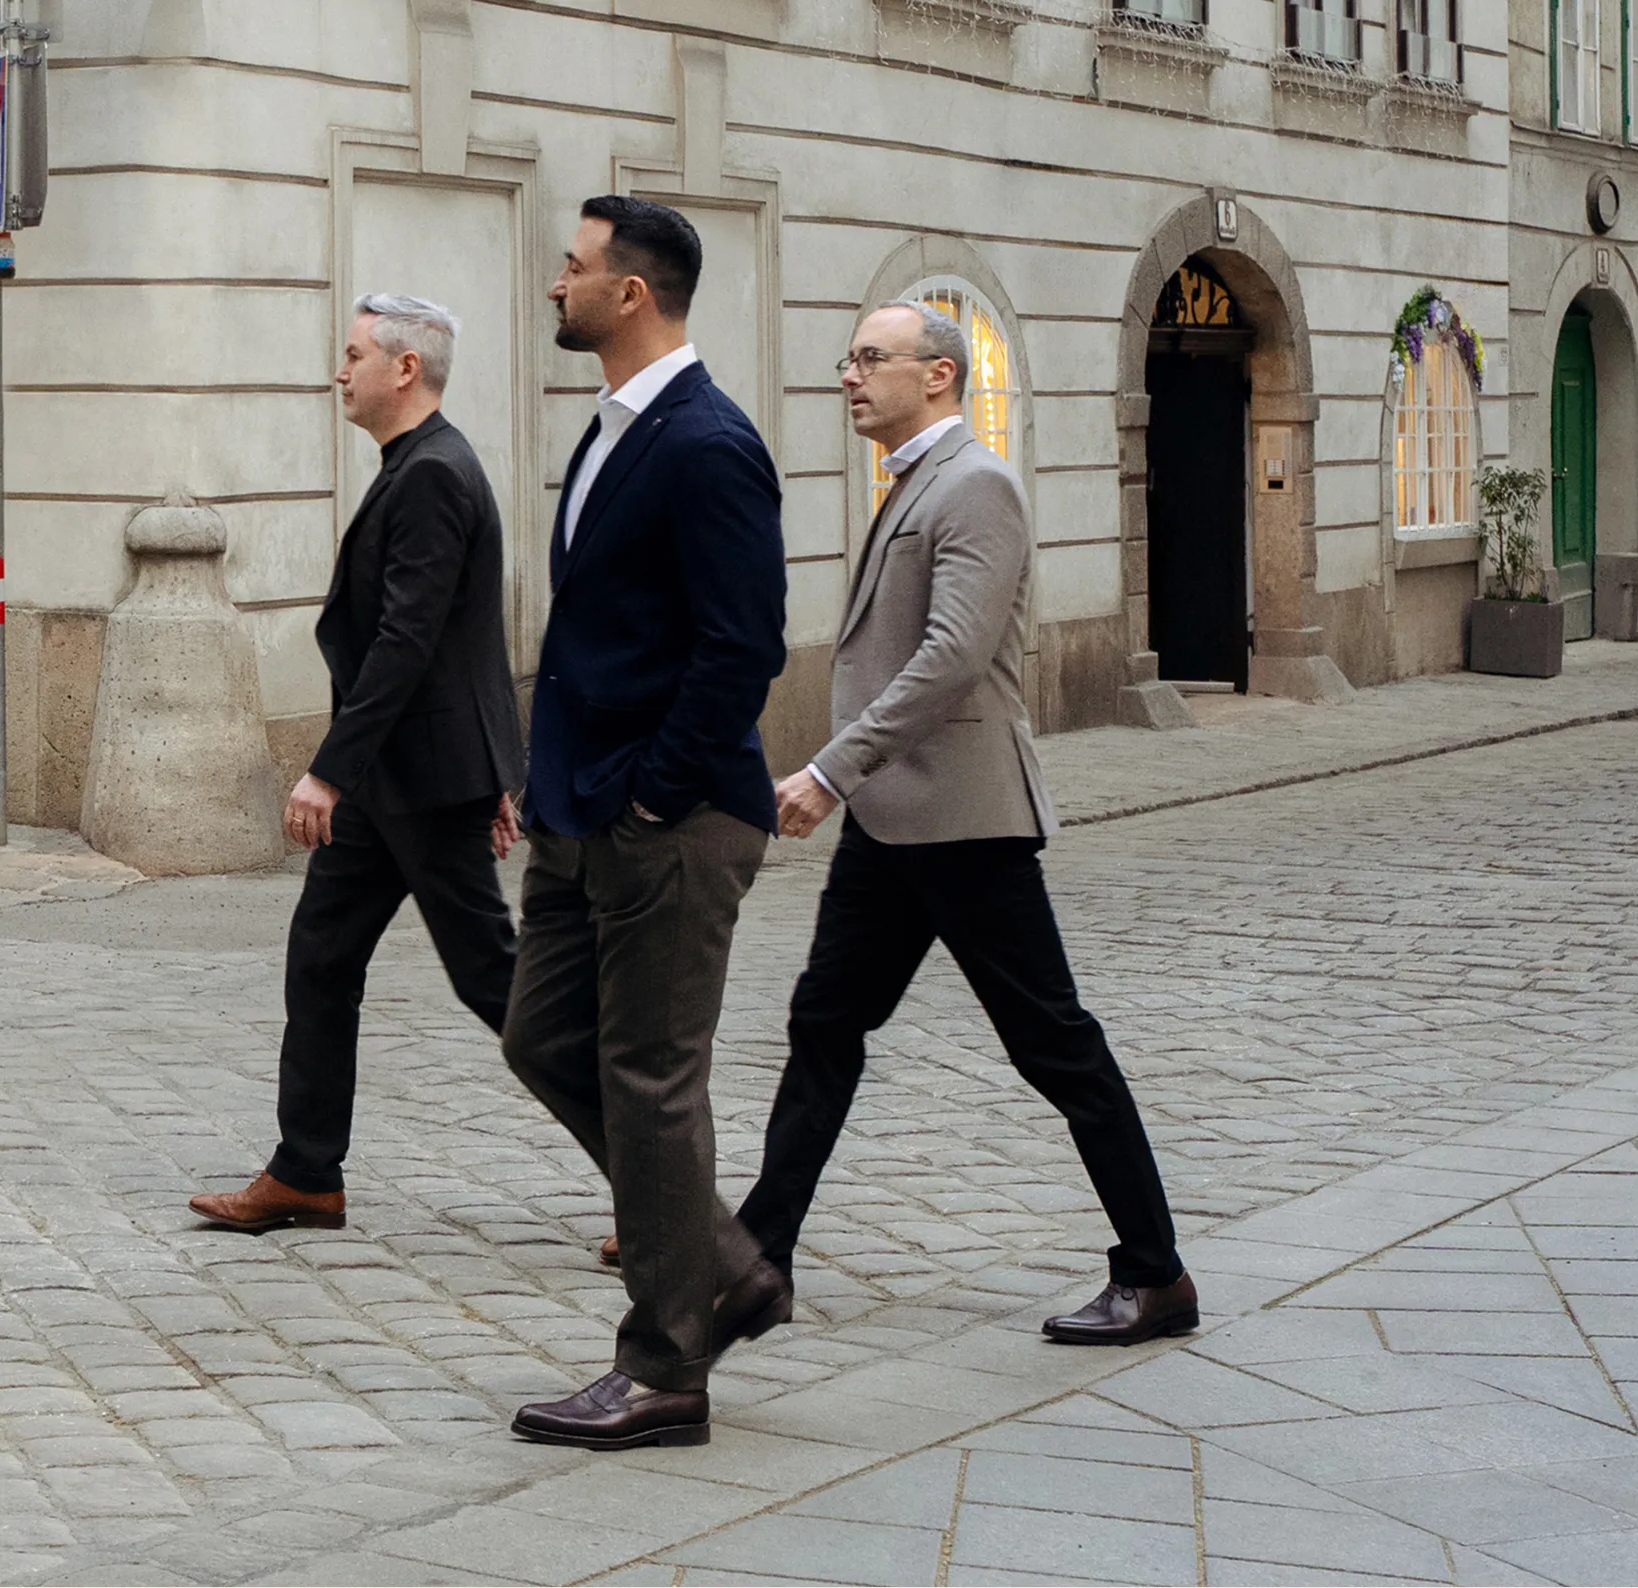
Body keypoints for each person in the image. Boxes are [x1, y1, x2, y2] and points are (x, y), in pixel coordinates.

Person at [745, 301, 1198, 1347]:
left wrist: (830, 769)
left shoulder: (976, 485)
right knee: (824, 1024)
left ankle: (1156, 1274)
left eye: (871, 358)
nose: (850, 375)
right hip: (893, 821)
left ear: (937, 374)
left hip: (967, 821)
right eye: (849, 358)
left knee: (1054, 1045)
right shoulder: (915, 481)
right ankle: (757, 1258)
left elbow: (950, 657)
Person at [499, 196, 791, 1451]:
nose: (553, 284)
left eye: (570, 267)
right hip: (580, 809)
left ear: (629, 292)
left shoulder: (708, 442)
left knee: (652, 1081)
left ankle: (668, 1368)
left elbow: (744, 648)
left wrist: (654, 793)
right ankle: (721, 1262)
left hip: (667, 820)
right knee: (541, 1038)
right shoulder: (615, 427)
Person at [188, 295, 526, 1235]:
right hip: (391, 783)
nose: (339, 372)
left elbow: (410, 641)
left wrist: (330, 772)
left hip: (421, 783)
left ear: (405, 368)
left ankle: (651, 1182)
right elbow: (464, 638)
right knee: (322, 957)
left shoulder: (434, 473)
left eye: (353, 355)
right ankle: (306, 1172)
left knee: (497, 984)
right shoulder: (417, 465)